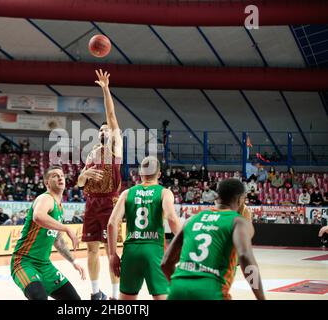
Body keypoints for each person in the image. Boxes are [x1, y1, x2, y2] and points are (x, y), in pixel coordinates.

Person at [161, 178, 265, 300]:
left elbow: (165, 263)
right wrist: (261, 298)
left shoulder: (191, 220)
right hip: (211, 291)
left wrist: (182, 287)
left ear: (217, 196)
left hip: (177, 290)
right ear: (240, 199)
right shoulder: (238, 221)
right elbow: (245, 257)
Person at [76, 69, 123, 300]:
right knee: (91, 249)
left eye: (106, 128)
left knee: (110, 250)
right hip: (91, 203)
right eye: (101, 129)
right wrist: (84, 174)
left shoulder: (115, 147)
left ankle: (115, 296)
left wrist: (105, 90)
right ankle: (96, 293)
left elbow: (111, 116)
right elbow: (79, 183)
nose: (104, 130)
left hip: (110, 202)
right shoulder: (93, 153)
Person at [107, 156, 181, 300]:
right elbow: (172, 219)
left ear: (141, 173)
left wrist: (112, 254)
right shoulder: (164, 193)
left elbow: (112, 223)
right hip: (154, 251)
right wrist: (188, 239)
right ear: (159, 174)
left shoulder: (127, 193)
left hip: (131, 252)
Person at [10, 166, 86, 300]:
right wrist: (66, 228)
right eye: (55, 175)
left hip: (45, 266)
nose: (60, 177)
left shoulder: (59, 208)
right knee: (40, 297)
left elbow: (58, 241)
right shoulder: (45, 198)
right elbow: (38, 216)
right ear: (47, 183)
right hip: (24, 262)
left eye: (61, 175)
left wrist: (73, 261)